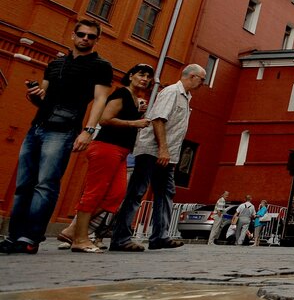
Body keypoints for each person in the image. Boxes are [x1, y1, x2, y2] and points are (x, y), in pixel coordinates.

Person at [2, 20, 113, 255]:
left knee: (45, 185)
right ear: (73, 35)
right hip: (37, 127)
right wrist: (35, 94)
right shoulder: (55, 64)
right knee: (23, 185)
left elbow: (100, 100)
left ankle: (30, 237)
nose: (85, 39)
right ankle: (13, 237)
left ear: (96, 40)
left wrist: (88, 131)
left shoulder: (100, 66)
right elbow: (42, 98)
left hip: (63, 130)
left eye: (91, 36)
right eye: (81, 34)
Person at [110, 64, 206, 252]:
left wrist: (167, 153)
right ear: (192, 76)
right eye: (202, 79)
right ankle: (120, 237)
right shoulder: (172, 92)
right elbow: (158, 119)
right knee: (137, 192)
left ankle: (160, 236)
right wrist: (163, 149)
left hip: (166, 154)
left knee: (165, 192)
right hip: (152, 151)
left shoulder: (185, 97)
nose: (203, 83)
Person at [64, 63, 152, 252]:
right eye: (141, 75)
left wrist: (137, 113)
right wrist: (134, 122)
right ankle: (79, 238)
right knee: (94, 192)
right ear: (131, 76)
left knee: (115, 195)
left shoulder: (136, 100)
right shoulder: (121, 94)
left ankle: (73, 230)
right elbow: (104, 119)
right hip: (106, 147)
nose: (145, 79)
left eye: (148, 77)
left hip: (121, 151)